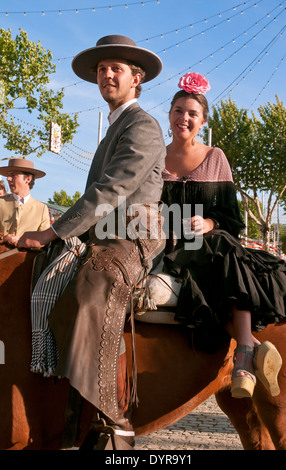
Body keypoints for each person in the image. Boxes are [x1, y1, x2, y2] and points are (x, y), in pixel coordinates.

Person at [18, 35, 166, 450]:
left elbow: (111, 190)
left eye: (115, 68)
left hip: (131, 236)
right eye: (102, 70)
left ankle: (110, 424)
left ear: (136, 78)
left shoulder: (143, 126)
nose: (106, 75)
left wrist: (52, 230)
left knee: (90, 292)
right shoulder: (115, 127)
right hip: (100, 233)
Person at [161, 72, 286, 400]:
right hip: (165, 243)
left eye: (192, 113)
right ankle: (246, 348)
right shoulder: (154, 158)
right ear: (169, 116)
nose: (184, 118)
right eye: (178, 110)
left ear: (203, 121)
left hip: (208, 242)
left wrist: (208, 223)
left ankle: (246, 352)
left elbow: (231, 219)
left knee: (225, 247)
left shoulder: (215, 158)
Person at [0, 158, 50, 244]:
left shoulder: (42, 209)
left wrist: (22, 241)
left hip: (28, 257)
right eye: (8, 175)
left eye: (13, 175)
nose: (8, 179)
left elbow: (45, 242)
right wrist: (4, 238)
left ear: (28, 179)